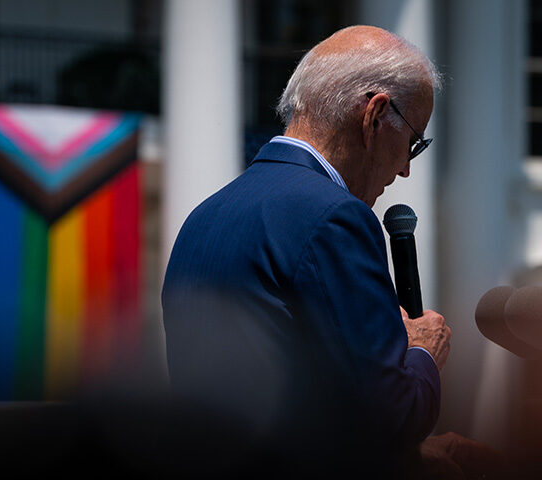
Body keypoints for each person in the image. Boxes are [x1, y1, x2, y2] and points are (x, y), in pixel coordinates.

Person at [162, 25, 454, 477]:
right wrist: (422, 352)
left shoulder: (204, 215)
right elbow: (393, 418)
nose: (406, 169)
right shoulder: (335, 217)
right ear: (375, 117)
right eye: (413, 143)